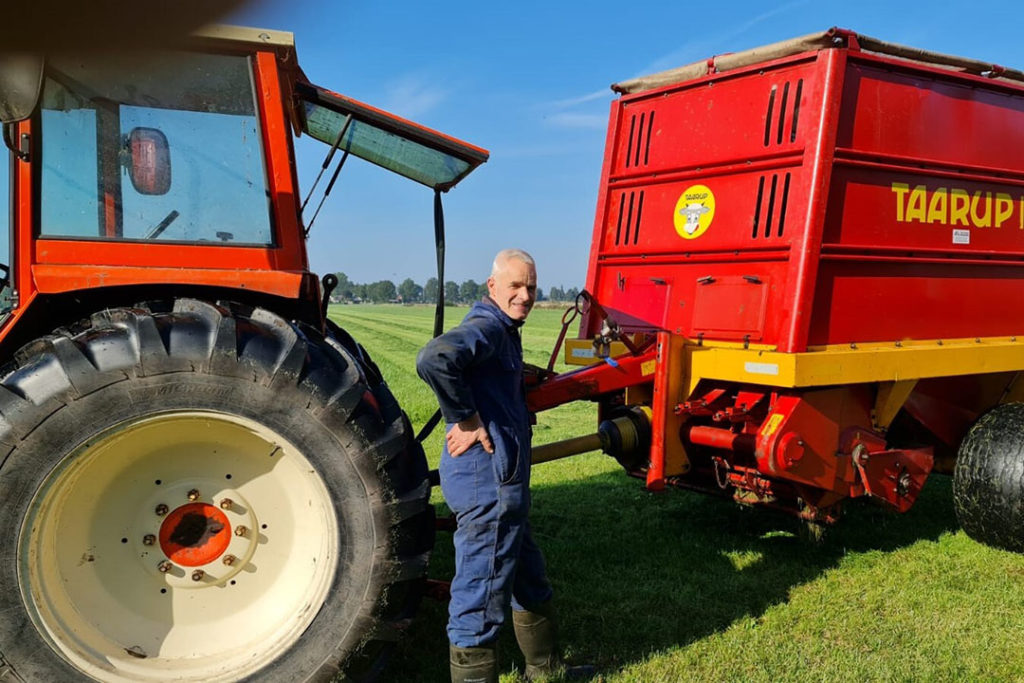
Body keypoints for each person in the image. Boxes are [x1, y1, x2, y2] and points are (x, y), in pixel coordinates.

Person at [417, 249, 587, 683]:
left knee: (529, 576)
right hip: (487, 486)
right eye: (515, 286)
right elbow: (436, 359)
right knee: (481, 594)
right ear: (492, 287)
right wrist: (467, 420)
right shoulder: (489, 326)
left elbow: (488, 379)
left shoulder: (505, 330)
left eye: (530, 286)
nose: (525, 295)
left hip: (504, 485)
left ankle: (544, 671)